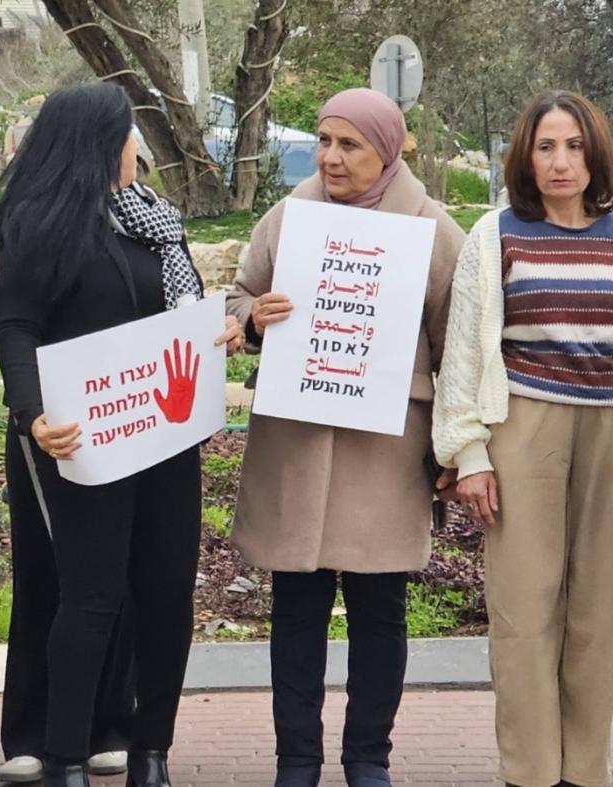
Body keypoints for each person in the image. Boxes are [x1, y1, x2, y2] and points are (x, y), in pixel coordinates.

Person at [0, 82, 244, 787]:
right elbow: (14, 325)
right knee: (91, 595)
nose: (138, 147)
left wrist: (215, 329)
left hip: (168, 434)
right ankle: (66, 753)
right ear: (98, 144)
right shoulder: (42, 223)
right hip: (85, 440)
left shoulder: (158, 221)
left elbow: (182, 307)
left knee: (166, 593)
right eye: (129, 134)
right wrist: (32, 412)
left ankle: (150, 750)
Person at [226, 88, 463, 787]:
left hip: (385, 454)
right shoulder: (287, 216)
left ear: (388, 150)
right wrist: (253, 318)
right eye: (324, 141)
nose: (330, 156)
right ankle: (296, 760)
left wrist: (451, 448)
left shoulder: (432, 229)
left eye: (348, 144)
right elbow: (237, 297)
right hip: (295, 446)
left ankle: (368, 759)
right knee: (295, 606)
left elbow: (457, 345)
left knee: (378, 612)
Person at [433, 89, 613, 787]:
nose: (561, 162)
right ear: (525, 157)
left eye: (573, 146)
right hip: (524, 426)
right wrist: (470, 454)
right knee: (524, 609)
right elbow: (465, 357)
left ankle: (586, 771)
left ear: (595, 153)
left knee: (599, 612)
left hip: (607, 428)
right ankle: (531, 772)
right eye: (546, 147)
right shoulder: (496, 232)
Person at [0, 426, 135, 783]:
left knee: (114, 569)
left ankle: (109, 725)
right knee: (40, 566)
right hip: (42, 412)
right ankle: (28, 734)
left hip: (128, 409)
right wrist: (28, 403)